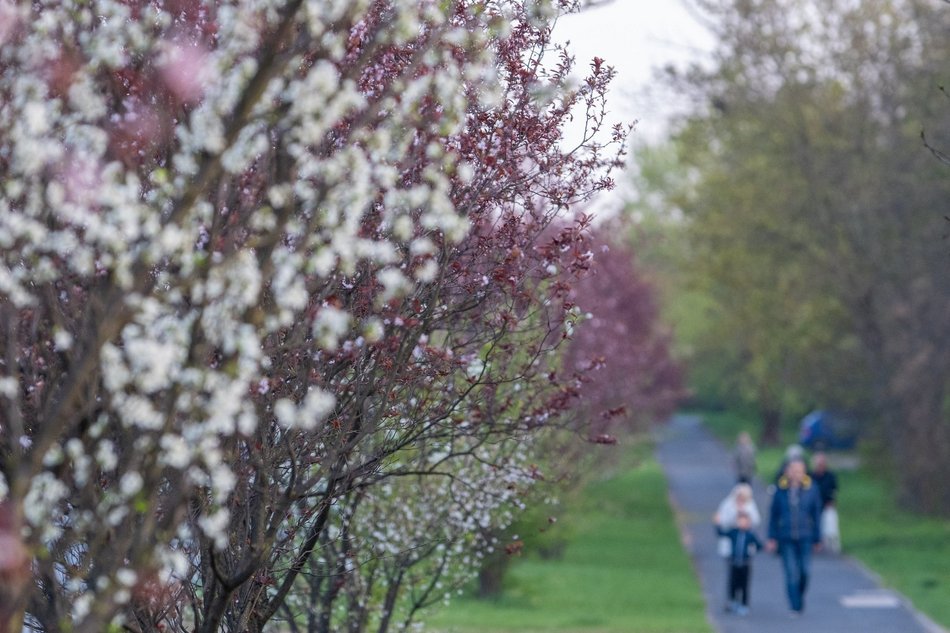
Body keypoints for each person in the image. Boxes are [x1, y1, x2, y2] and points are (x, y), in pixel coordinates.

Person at [767, 458, 823, 616]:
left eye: (799, 470)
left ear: (804, 471)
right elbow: (773, 515)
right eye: (793, 470)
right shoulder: (780, 490)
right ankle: (795, 605)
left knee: (805, 571)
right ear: (787, 471)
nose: (796, 473)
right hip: (786, 537)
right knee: (791, 571)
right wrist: (772, 537)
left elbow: (817, 515)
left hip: (805, 536)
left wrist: (818, 538)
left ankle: (799, 595)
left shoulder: (812, 489)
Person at [717, 510, 763, 615]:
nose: (742, 523)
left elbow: (759, 545)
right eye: (740, 521)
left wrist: (754, 551)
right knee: (733, 583)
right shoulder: (733, 532)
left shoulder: (750, 535)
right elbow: (721, 533)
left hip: (745, 563)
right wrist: (717, 524)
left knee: (744, 585)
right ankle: (732, 601)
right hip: (734, 562)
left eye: (744, 521)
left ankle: (744, 604)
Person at [811, 451, 841, 553]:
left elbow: (834, 490)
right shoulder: (811, 476)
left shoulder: (830, 476)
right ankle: (816, 542)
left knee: (831, 525)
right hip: (814, 505)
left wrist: (832, 502)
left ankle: (833, 545)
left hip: (827, 504)